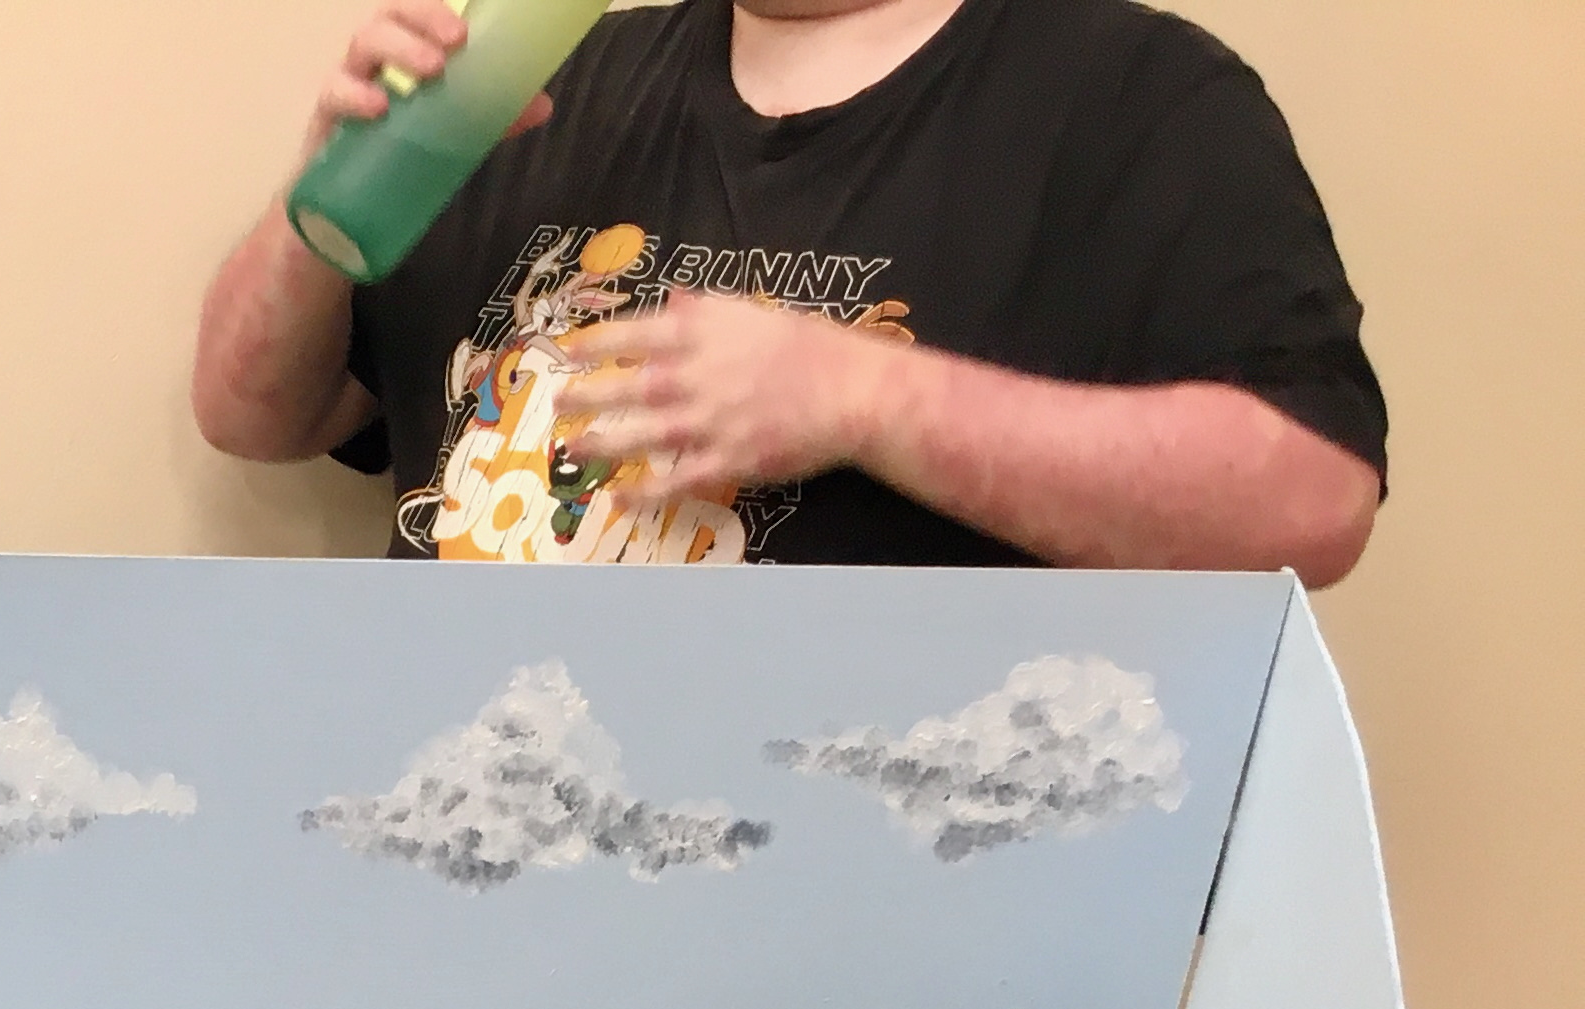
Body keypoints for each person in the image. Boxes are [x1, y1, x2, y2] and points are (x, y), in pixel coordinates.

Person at [190, 0, 1383, 582]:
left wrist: (868, 402)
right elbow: (255, 411)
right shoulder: (554, 78)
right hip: (454, 871)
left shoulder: (1135, 97)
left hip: (858, 937)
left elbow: (1310, 505)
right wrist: (322, 194)